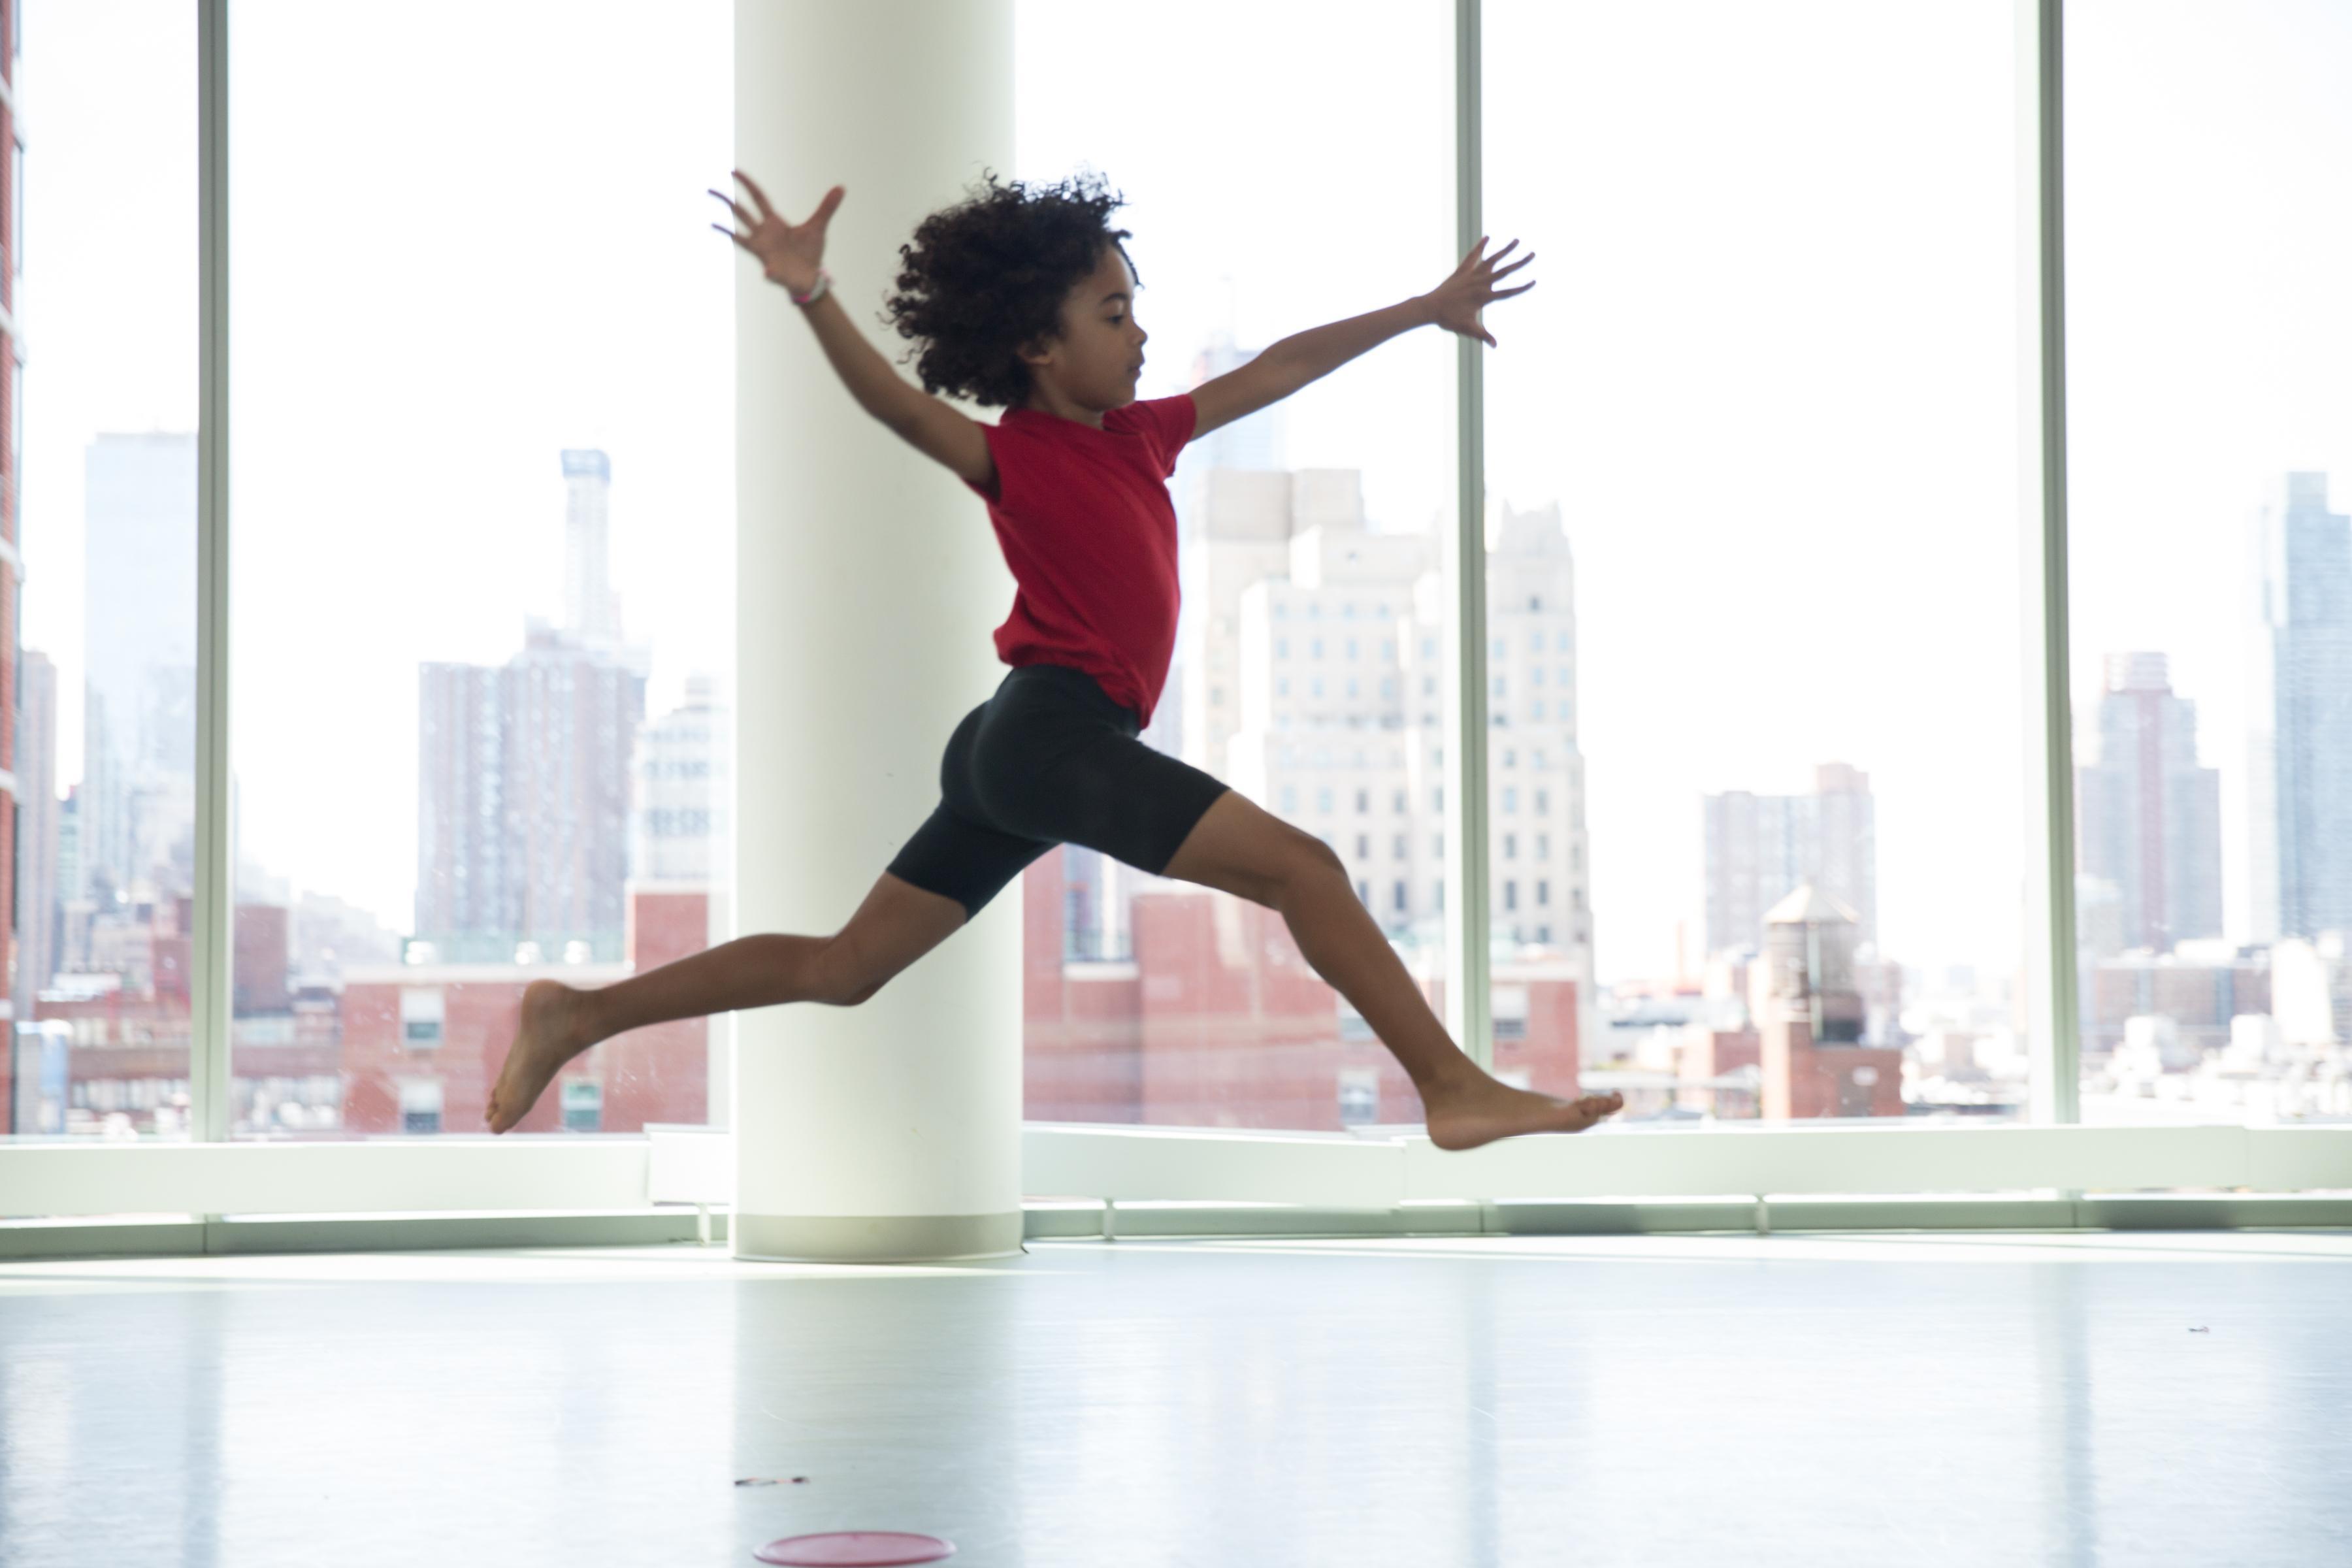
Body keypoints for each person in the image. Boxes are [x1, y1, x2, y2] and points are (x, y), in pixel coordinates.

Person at [485, 167, 1624, 1149]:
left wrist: (1424, 308)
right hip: (1050, 734)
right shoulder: (1012, 456)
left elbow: (1278, 368)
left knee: (845, 969)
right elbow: (895, 407)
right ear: (1038, 343)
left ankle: (578, 1017)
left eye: (1136, 309)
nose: (1140, 334)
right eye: (1114, 312)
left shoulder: (1141, 436)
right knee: (1307, 869)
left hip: (1013, 745)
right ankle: (1452, 1089)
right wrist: (814, 294)